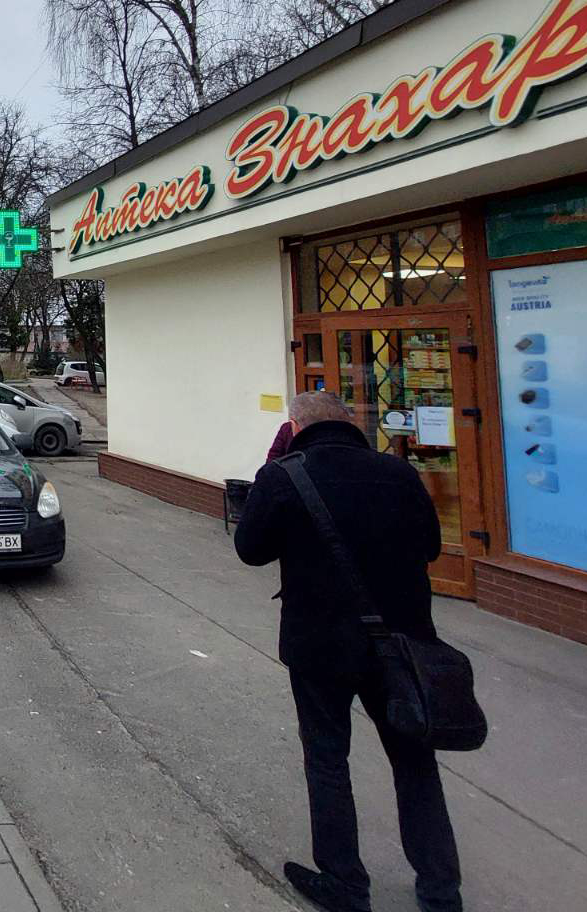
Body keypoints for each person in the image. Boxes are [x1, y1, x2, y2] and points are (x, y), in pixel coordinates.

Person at [235, 390, 460, 912]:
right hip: (402, 649)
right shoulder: (399, 473)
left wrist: (272, 483)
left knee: (328, 760)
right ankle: (442, 892)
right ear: (350, 424)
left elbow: (250, 550)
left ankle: (344, 884)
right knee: (415, 762)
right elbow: (429, 546)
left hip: (320, 649)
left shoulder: (285, 475)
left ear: (294, 427)